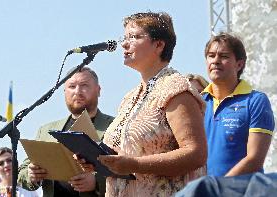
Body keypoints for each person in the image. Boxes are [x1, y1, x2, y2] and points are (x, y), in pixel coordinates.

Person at [78, 12, 207, 196]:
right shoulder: (129, 97)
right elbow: (123, 155)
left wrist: (134, 165)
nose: (124, 43)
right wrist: (97, 158)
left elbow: (195, 154)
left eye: (134, 37)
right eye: (125, 37)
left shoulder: (176, 89)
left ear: (159, 44)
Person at [18, 67, 114, 197]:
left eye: (84, 85)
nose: (77, 91)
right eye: (72, 86)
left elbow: (129, 170)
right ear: (64, 91)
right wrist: (31, 175)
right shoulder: (46, 130)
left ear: (98, 90)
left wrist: (97, 182)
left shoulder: (115, 125)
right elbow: (22, 172)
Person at [202, 32, 275, 177]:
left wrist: (217, 188)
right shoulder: (197, 102)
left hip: (241, 191)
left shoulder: (256, 101)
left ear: (239, 64)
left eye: (224, 56)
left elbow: (254, 159)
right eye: (211, 55)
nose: (215, 61)